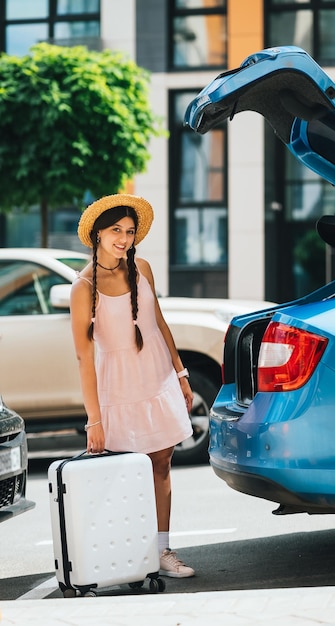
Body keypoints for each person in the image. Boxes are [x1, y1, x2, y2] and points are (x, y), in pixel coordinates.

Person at [70, 193, 195, 578]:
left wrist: (180, 372)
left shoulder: (142, 267)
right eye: (115, 231)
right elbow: (83, 358)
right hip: (118, 388)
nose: (123, 239)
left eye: (129, 231)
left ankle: (162, 551)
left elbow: (158, 323)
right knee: (125, 473)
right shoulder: (83, 287)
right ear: (97, 234)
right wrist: (94, 419)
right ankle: (126, 556)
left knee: (161, 464)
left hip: (156, 377)